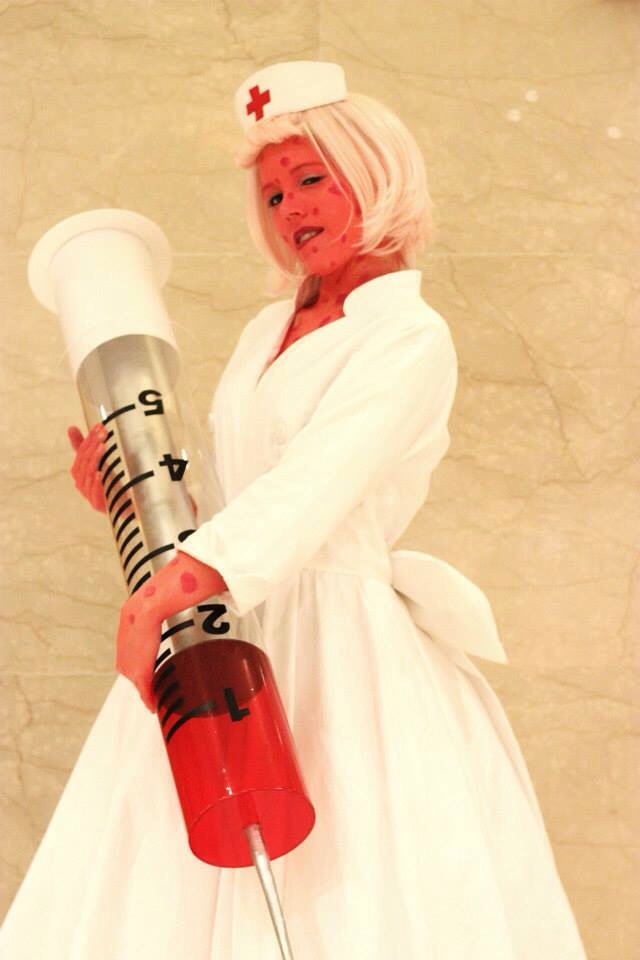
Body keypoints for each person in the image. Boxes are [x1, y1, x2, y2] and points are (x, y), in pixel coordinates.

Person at [0, 61, 589, 959]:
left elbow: (312, 487)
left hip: (338, 640)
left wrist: (163, 596)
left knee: (344, 888)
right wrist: (128, 494)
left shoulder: (407, 334)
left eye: (312, 179)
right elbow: (240, 498)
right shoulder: (265, 331)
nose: (291, 210)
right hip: (225, 623)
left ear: (375, 174)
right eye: (274, 195)